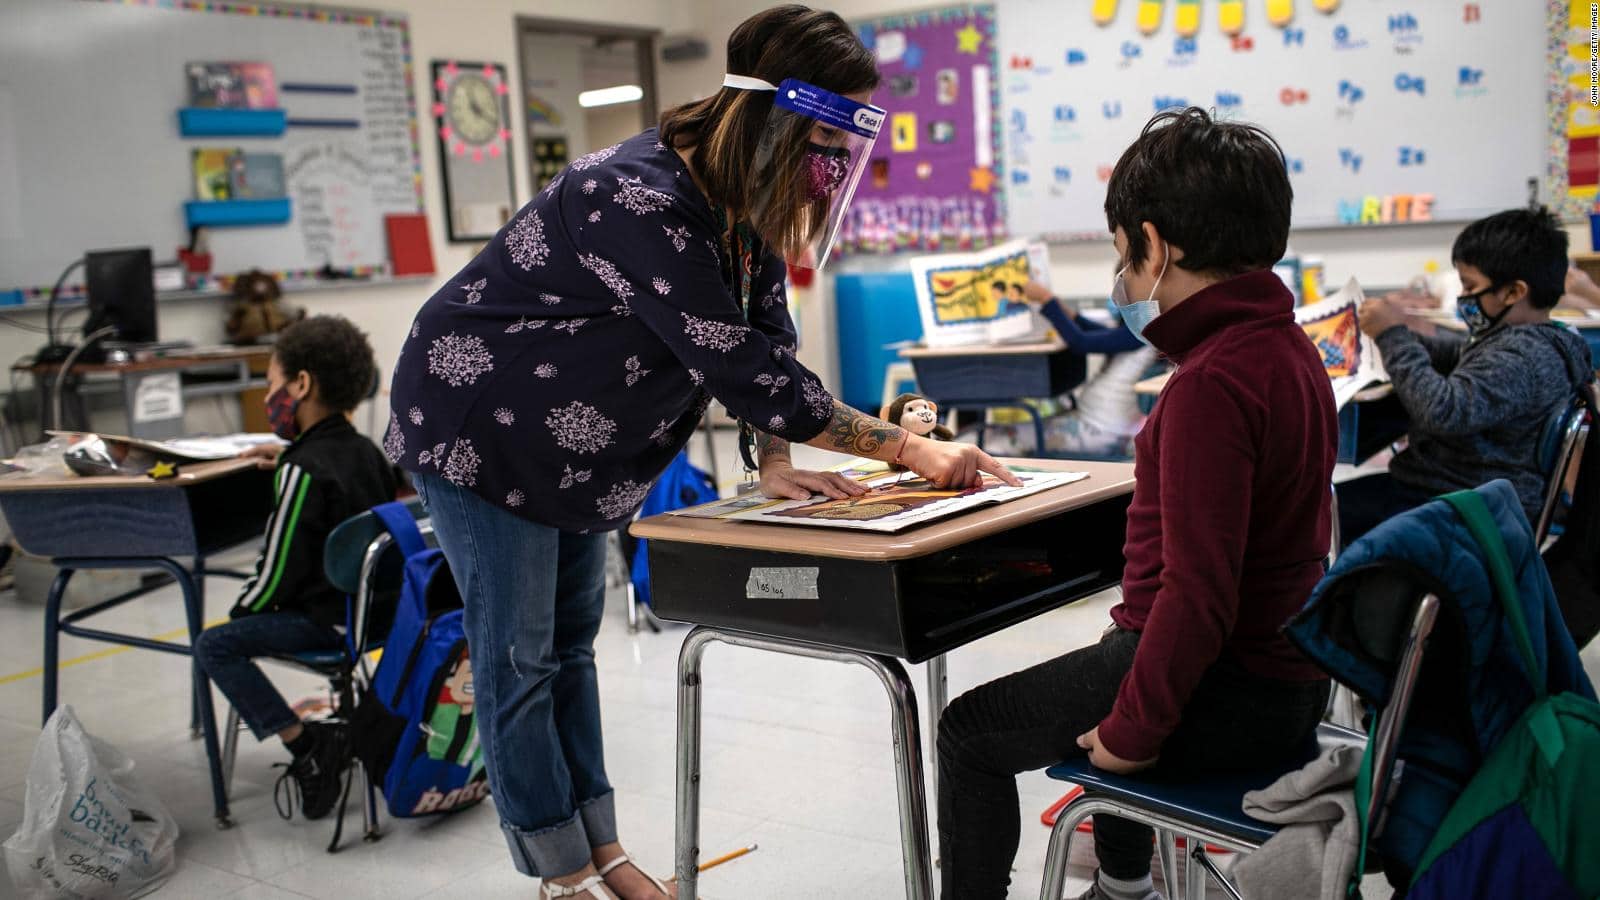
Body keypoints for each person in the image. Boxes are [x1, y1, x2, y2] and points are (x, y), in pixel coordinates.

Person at [383, 7, 1015, 899]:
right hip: (481, 426)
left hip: (571, 446)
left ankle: (603, 853)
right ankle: (561, 876)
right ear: (779, 117)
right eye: (826, 135)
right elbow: (741, 365)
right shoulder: (636, 197)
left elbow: (765, 330)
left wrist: (776, 461)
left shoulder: (734, 187)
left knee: (568, 650)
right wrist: (909, 450)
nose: (832, 162)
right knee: (517, 657)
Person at [936, 107, 1335, 900]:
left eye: (1123, 256)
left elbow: (1197, 601)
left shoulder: (1209, 385)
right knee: (1119, 650)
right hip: (1285, 684)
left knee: (969, 731)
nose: (1124, 280)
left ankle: (1118, 885)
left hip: (1228, 690)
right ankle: (1122, 890)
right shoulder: (1288, 349)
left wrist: (1129, 737)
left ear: (1155, 246)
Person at [194, 315, 397, 821]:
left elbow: (276, 574)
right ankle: (329, 734)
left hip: (328, 625)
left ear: (301, 384)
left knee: (214, 645)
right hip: (374, 619)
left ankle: (306, 744)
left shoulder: (302, 470)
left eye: (271, 383)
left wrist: (244, 612)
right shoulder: (366, 452)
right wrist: (291, 454)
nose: (270, 396)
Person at [1342, 208, 1593, 546]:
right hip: (1456, 492)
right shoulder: (1528, 341)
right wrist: (1396, 334)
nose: (1462, 296)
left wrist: (1394, 336)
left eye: (1470, 285)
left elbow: (1443, 411)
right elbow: (1459, 354)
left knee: (1318, 517)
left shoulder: (1523, 358)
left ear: (1513, 292)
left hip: (1463, 509)